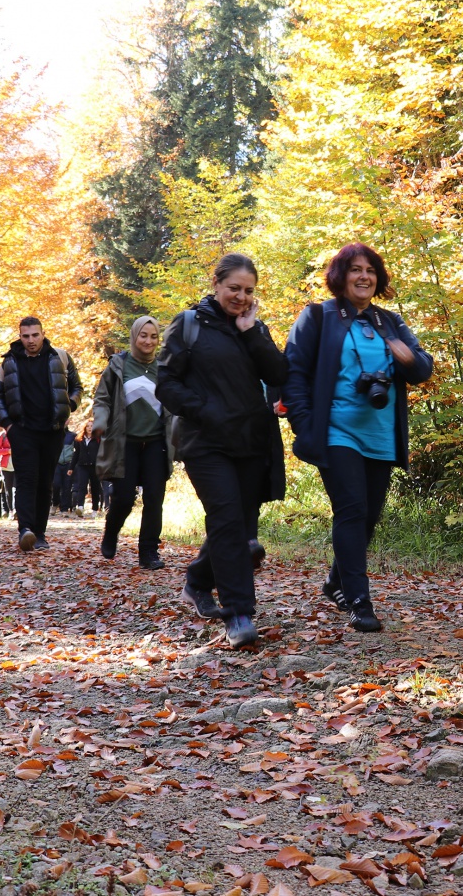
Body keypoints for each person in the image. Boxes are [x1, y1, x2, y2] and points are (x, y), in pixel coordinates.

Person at [283, 243, 433, 632]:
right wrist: (304, 423)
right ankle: (359, 601)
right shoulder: (319, 316)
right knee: (351, 510)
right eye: (355, 269)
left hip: (380, 434)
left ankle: (335, 582)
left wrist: (408, 358)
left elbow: (422, 370)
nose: (363, 276)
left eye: (370, 270)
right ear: (340, 276)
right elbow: (294, 372)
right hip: (337, 430)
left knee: (368, 517)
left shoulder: (390, 321)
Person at [156, 253, 289, 648]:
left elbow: (279, 374)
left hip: (251, 442)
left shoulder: (255, 327)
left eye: (249, 291)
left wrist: (250, 332)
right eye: (234, 288)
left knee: (236, 522)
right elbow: (166, 383)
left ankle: (197, 582)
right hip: (205, 442)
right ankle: (238, 614)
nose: (241, 297)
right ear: (216, 283)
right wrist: (205, 411)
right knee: (229, 520)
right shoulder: (190, 323)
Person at [0, 316, 82, 551]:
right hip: (22, 430)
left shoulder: (59, 357)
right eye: (25, 336)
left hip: (52, 430)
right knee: (26, 480)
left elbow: (77, 386)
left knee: (45, 482)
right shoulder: (9, 362)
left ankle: (39, 534)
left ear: (42, 334)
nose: (31, 340)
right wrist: (8, 425)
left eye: (35, 335)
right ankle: (25, 530)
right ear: (19, 336)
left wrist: (68, 406)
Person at [93, 316, 175, 568]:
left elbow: (174, 405)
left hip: (155, 443)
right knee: (124, 498)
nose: (148, 341)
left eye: (153, 336)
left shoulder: (164, 369)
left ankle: (148, 552)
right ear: (134, 336)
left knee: (154, 498)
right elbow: (103, 399)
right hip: (124, 442)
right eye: (143, 335)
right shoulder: (119, 365)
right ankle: (111, 532)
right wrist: (100, 420)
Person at [72, 424, 101, 515]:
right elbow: (76, 454)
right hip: (82, 466)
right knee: (82, 486)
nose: (89, 428)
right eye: (88, 426)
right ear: (85, 427)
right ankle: (80, 507)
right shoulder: (79, 440)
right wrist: (71, 467)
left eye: (92, 426)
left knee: (95, 488)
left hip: (94, 466)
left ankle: (95, 509)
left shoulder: (98, 439)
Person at [54, 436, 77, 514]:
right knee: (56, 484)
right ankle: (55, 503)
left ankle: (64, 508)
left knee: (67, 486)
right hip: (57, 463)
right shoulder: (54, 434)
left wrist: (72, 463)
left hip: (68, 463)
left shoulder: (72, 436)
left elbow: (77, 451)